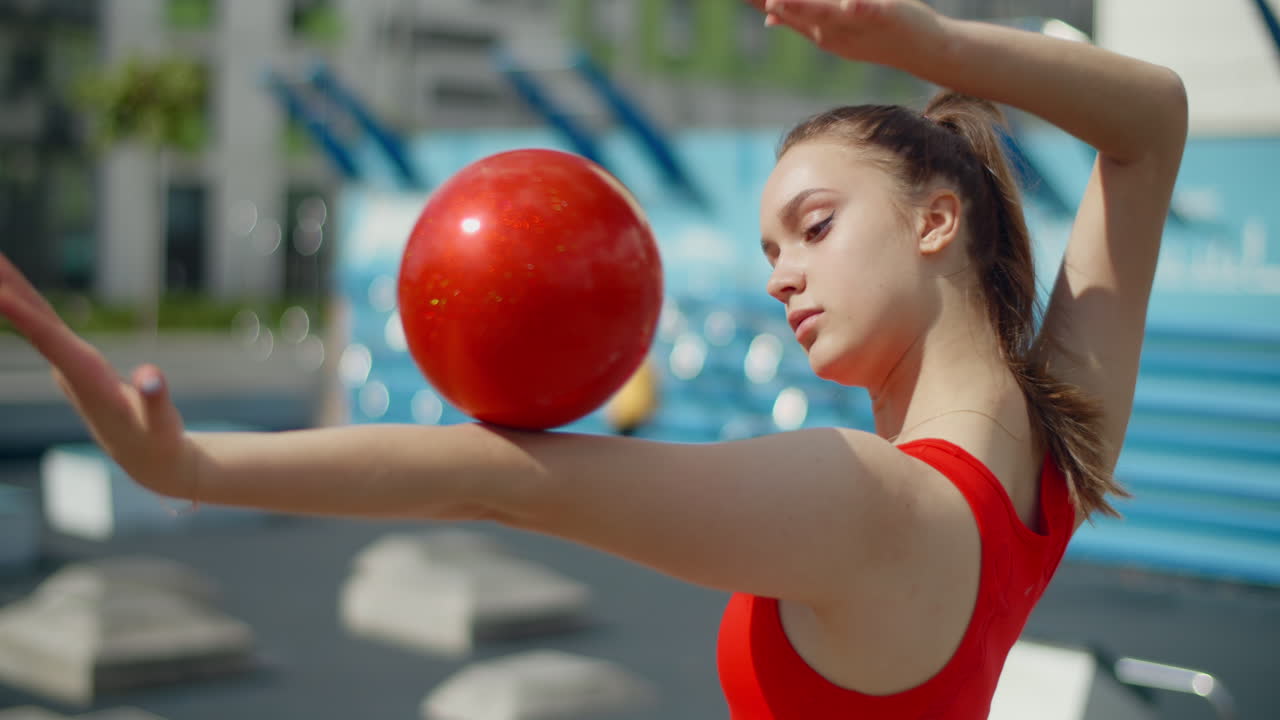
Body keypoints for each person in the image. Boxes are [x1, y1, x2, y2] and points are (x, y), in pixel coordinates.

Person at [0, 1, 1187, 717]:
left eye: (813, 227)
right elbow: (1149, 129)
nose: (778, 273)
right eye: (770, 243)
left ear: (937, 221)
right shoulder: (1053, 455)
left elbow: (491, 475)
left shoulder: (862, 499)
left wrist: (196, 469)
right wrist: (931, 46)